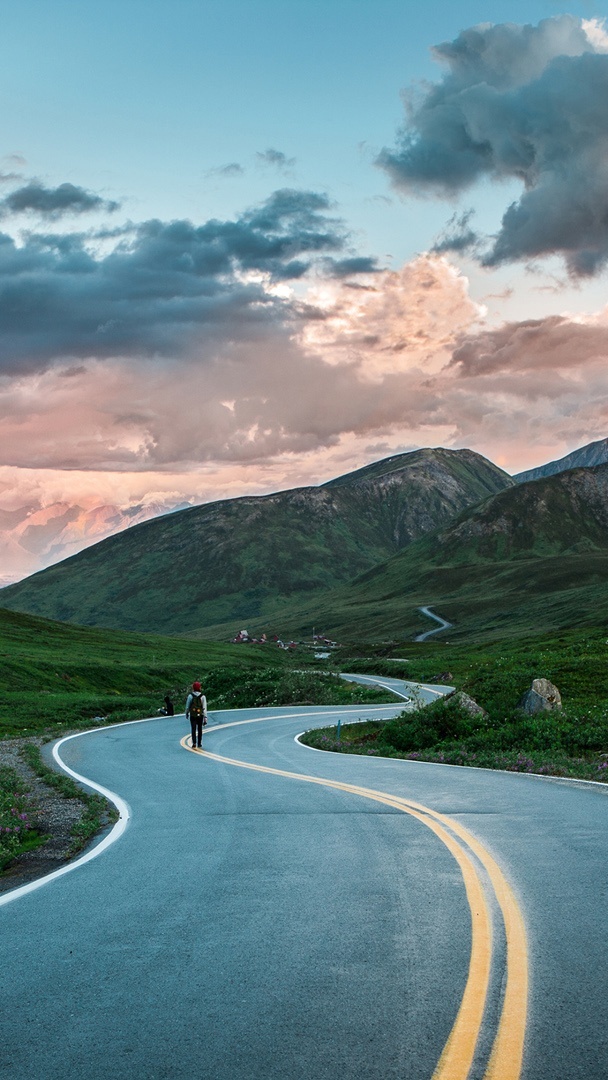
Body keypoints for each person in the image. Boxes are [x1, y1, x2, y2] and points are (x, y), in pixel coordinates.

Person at [185, 681, 207, 748]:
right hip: (200, 715)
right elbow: (204, 708)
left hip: (193, 714)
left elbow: (187, 706)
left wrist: (187, 713)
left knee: (193, 729)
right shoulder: (203, 696)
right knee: (199, 729)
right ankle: (199, 743)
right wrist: (205, 717)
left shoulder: (190, 696)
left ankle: (194, 743)